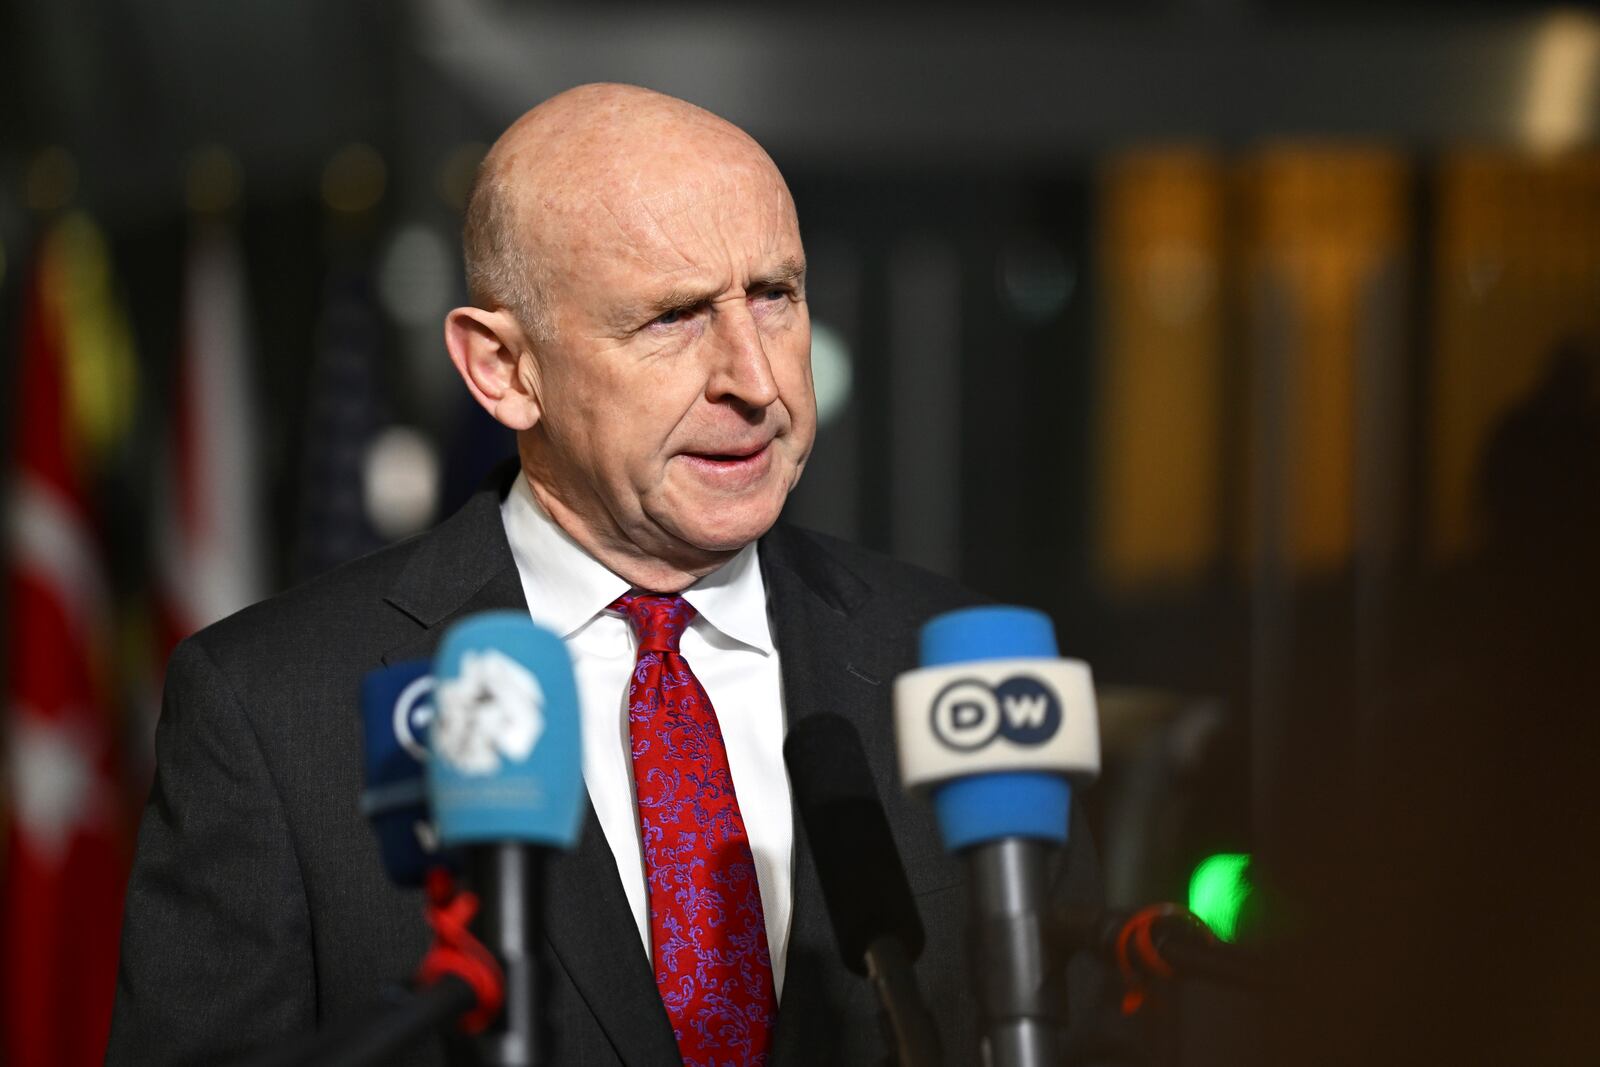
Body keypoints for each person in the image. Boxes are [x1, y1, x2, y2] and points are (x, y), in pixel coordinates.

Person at [108, 83, 1101, 1065]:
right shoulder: (275, 710)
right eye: (671, 317)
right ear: (503, 367)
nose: (756, 382)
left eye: (775, 296)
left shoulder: (958, 674)